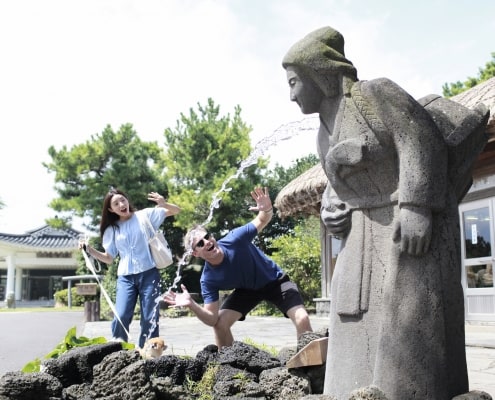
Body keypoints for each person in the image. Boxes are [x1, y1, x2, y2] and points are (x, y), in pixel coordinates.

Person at [282, 26, 488, 400]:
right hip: (360, 236)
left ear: (320, 74)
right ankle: (347, 388)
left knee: (410, 316)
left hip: (405, 226)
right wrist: (332, 209)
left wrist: (416, 206)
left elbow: (419, 138)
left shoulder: (374, 94)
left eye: (295, 81)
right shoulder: (321, 135)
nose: (291, 93)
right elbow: (337, 185)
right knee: (352, 317)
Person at [163, 187, 313, 349]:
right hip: (247, 290)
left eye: (207, 236)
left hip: (276, 281)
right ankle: (228, 367)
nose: (207, 242)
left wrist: (267, 209)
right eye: (200, 243)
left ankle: (312, 366)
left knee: (302, 318)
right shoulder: (208, 279)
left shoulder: (235, 239)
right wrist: (192, 304)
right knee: (220, 324)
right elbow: (212, 318)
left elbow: (262, 219)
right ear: (196, 253)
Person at [81, 188, 181, 348]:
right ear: (110, 209)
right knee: (121, 315)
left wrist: (164, 204)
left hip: (149, 275)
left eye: (123, 200)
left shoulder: (145, 215)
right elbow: (109, 258)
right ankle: (118, 351)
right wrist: (89, 250)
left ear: (127, 200)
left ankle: (149, 354)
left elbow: (176, 210)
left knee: (150, 317)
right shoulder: (111, 230)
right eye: (116, 203)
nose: (121, 204)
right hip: (125, 278)